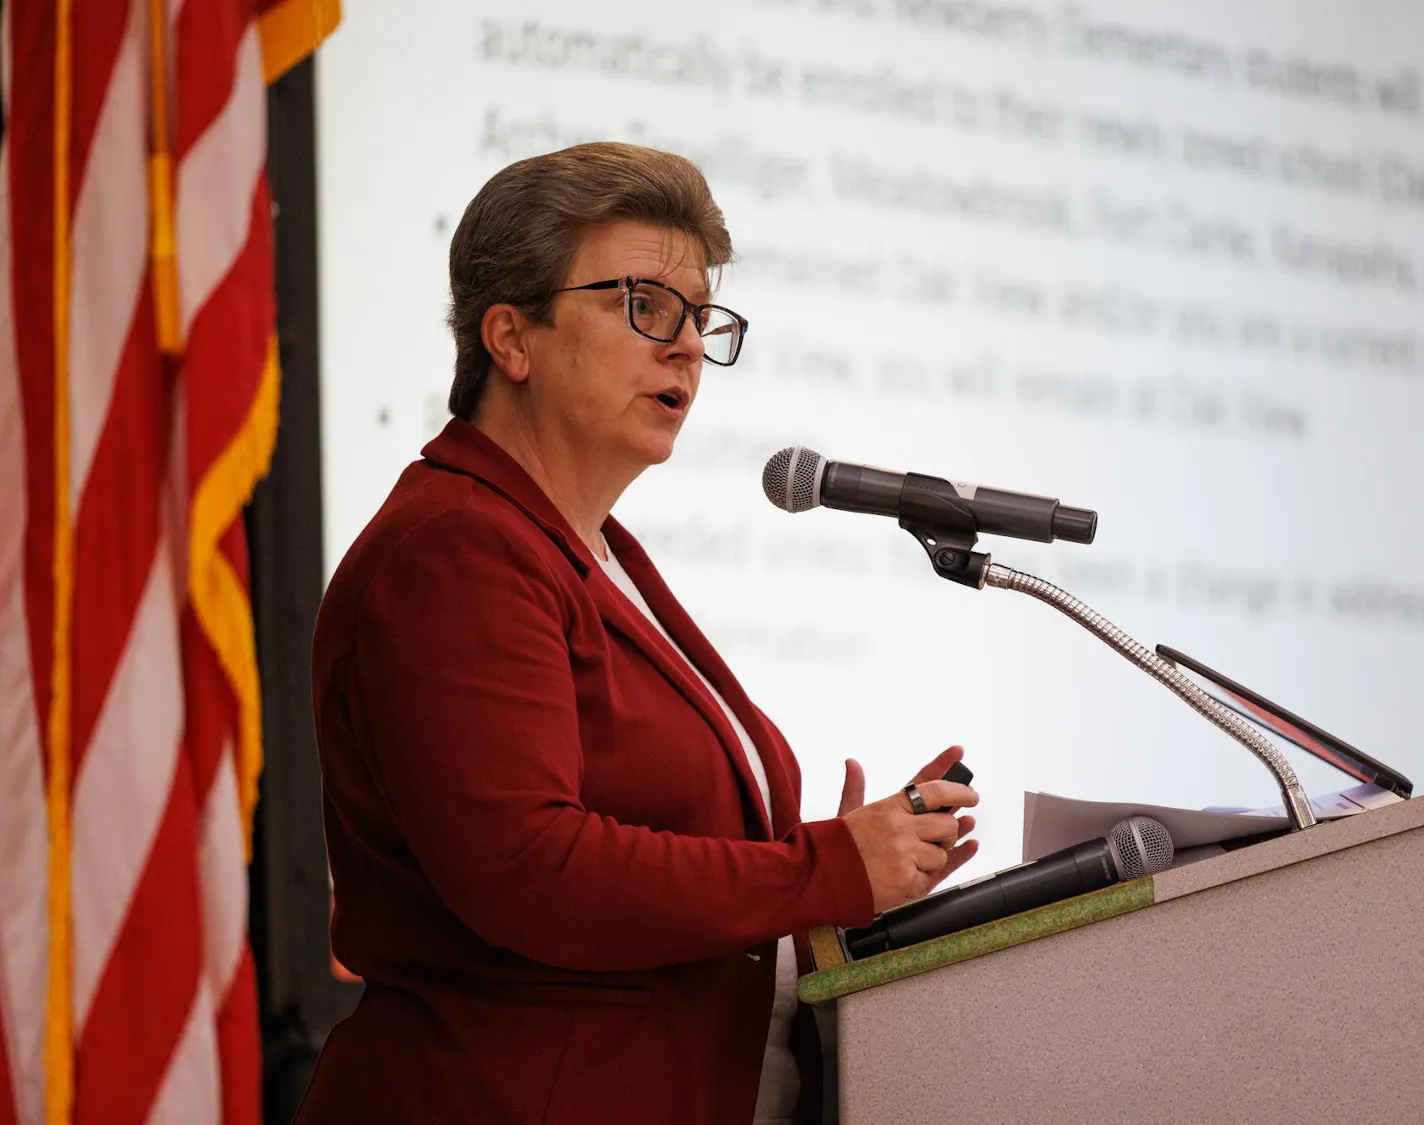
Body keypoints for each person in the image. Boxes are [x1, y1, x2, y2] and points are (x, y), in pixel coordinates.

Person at [296, 141, 980, 1125]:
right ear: (511, 337)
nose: (689, 345)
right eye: (645, 307)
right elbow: (530, 868)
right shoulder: (453, 549)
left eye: (701, 318)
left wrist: (845, 890)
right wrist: (825, 866)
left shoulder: (594, 553)